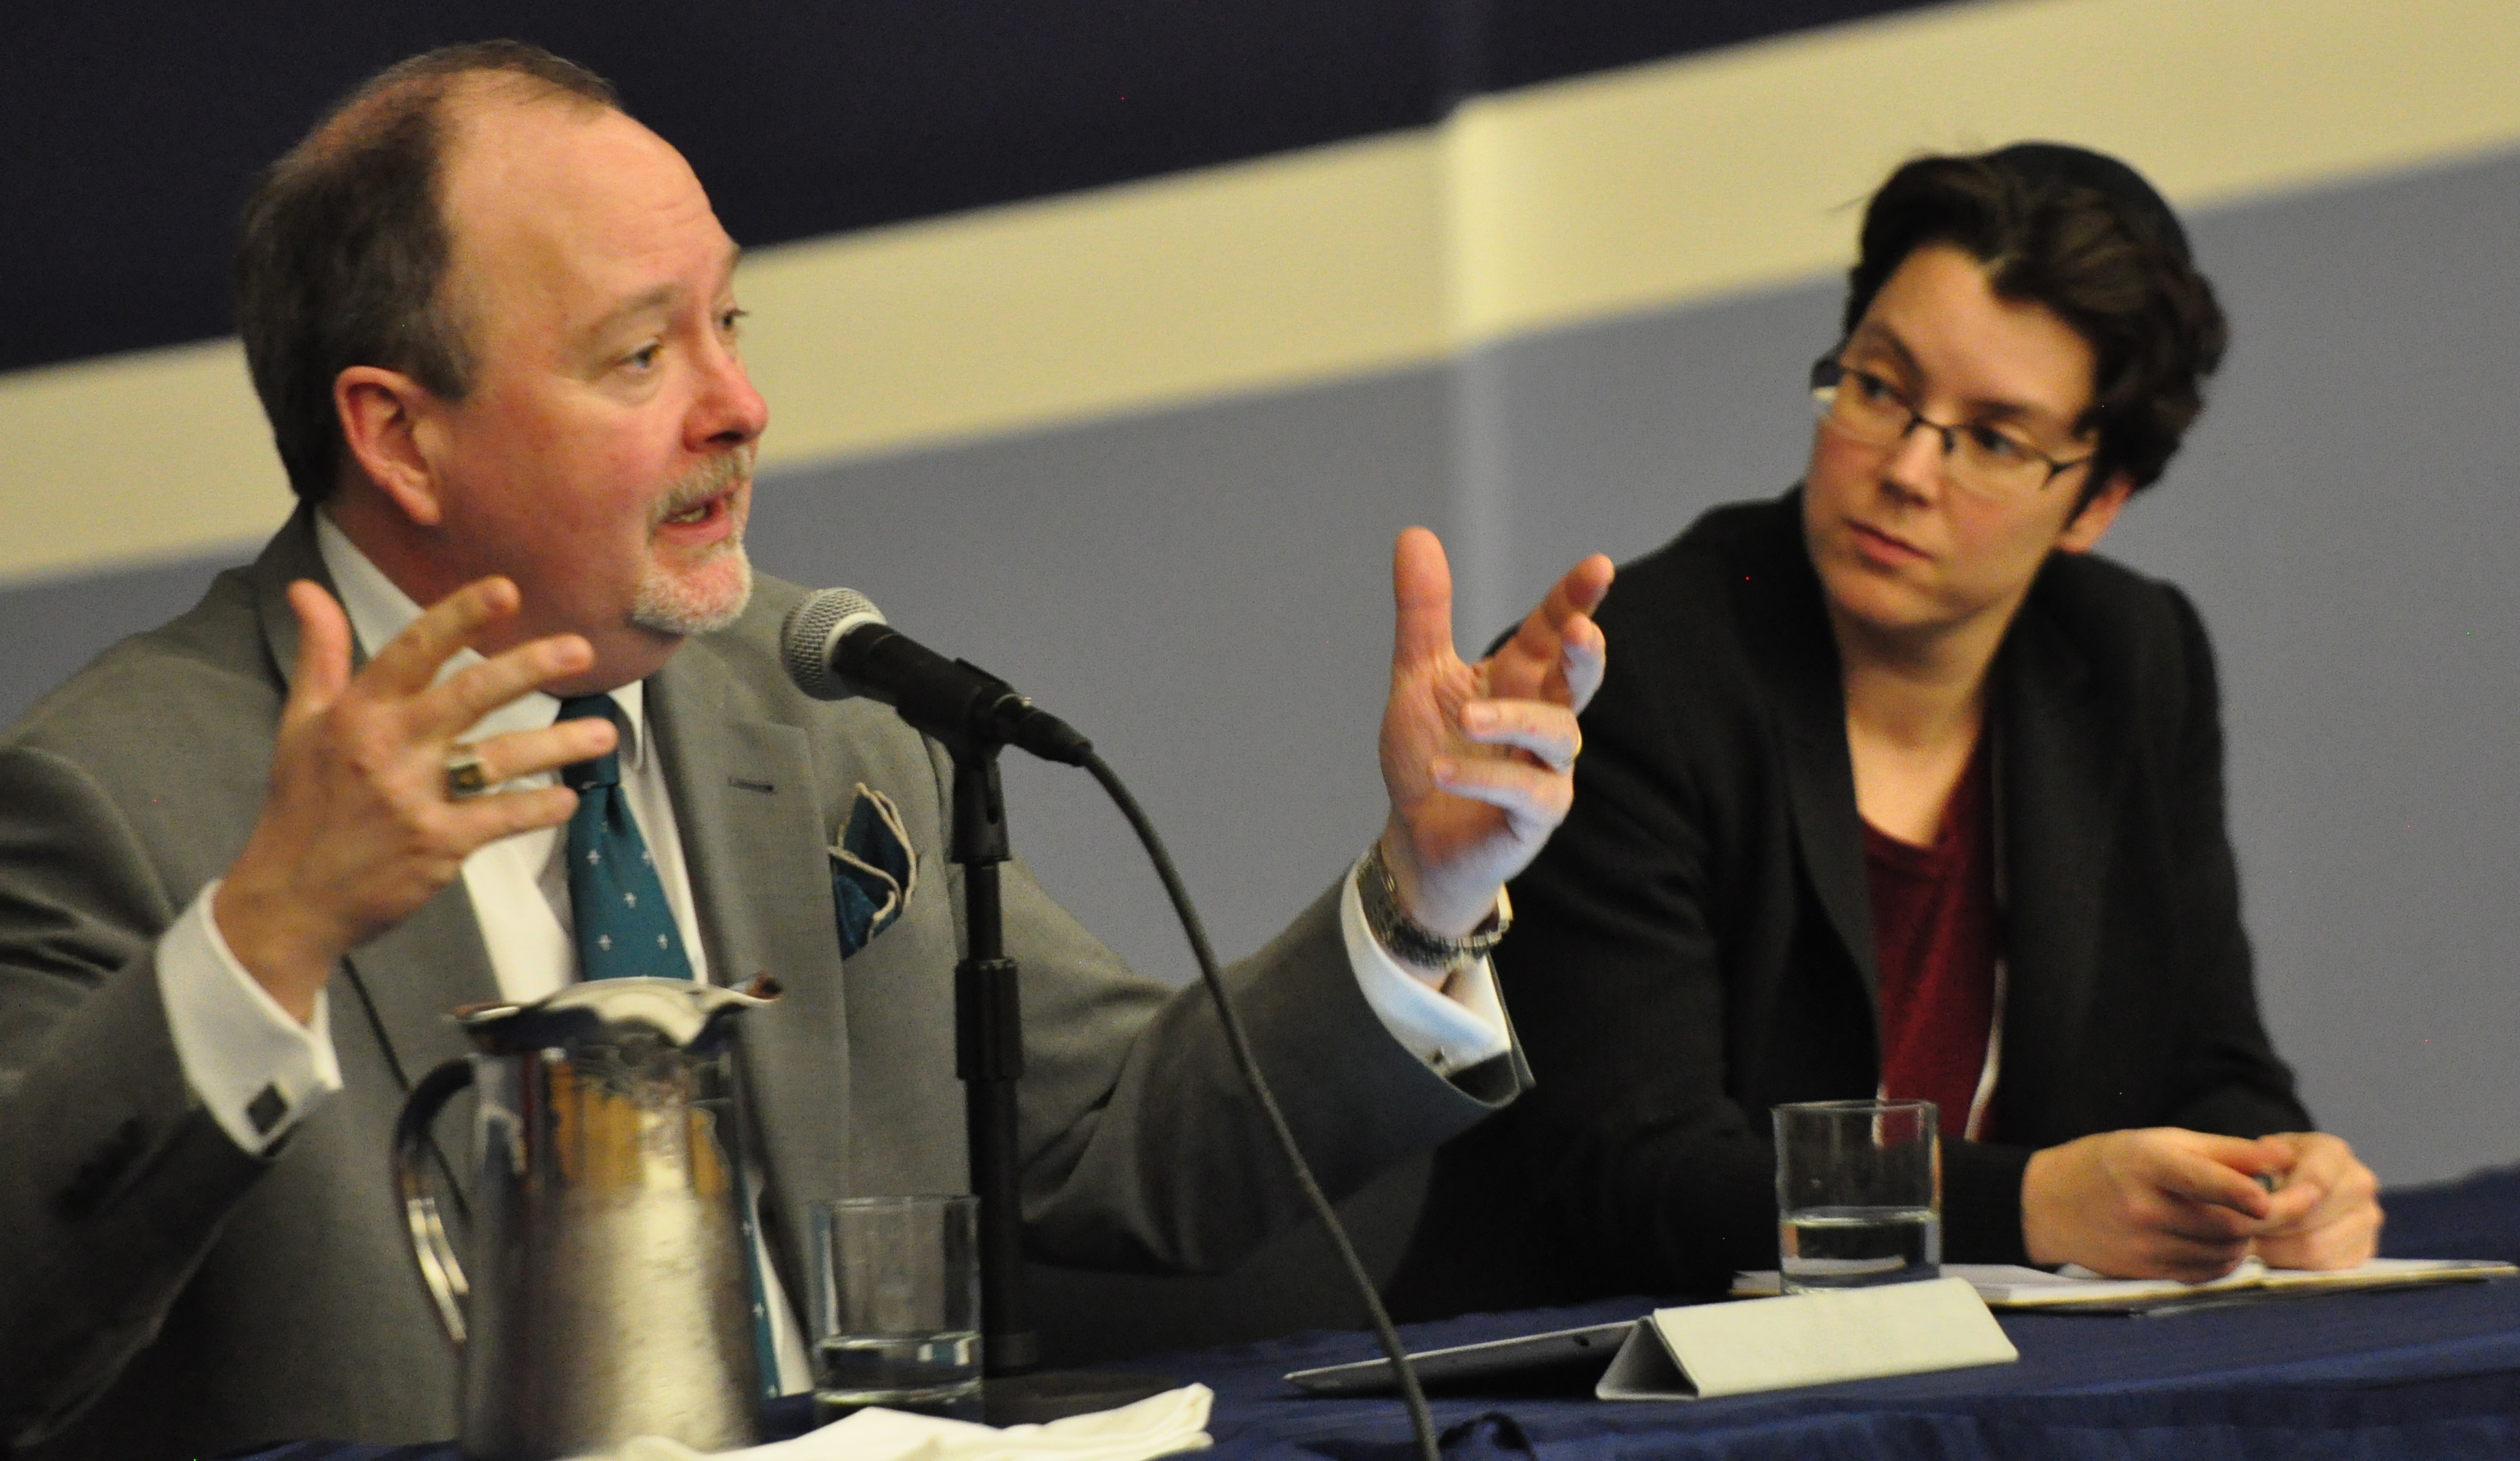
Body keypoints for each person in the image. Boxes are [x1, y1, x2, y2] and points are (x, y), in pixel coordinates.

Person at [0, 43, 1614, 1458]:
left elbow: (1118, 1134)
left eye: (730, 321)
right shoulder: (126, 800)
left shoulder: (813, 703)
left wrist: (1419, 894)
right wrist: (266, 939)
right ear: (399, 434)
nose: (742, 404)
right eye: (642, 354)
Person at [1385, 143, 2381, 1319]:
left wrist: (2277, 1177)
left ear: (2097, 501)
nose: (1907, 468)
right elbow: (1643, 1177)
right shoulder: (1630, 676)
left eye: (1994, 440)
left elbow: (2210, 1061)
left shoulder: (2132, 660)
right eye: (1880, 389)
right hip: (1606, 1374)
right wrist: (2033, 1204)